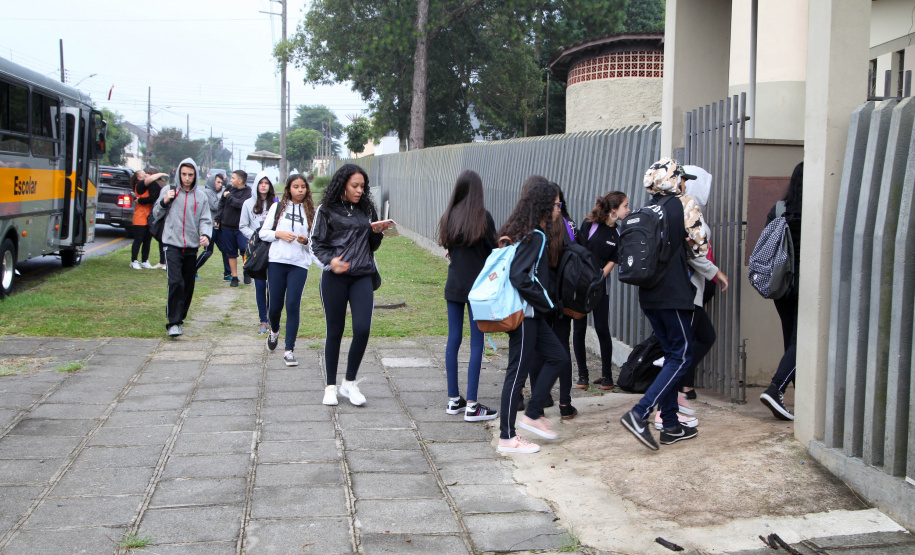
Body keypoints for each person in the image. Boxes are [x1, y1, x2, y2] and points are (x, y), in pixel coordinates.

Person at [619, 158, 707, 450]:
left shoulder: (646, 210)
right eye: (683, 179)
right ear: (676, 181)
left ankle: (670, 425)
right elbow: (700, 247)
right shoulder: (684, 204)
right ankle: (639, 413)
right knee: (681, 355)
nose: (685, 184)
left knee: (670, 355)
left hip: (649, 295)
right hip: (674, 294)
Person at [649, 165, 730, 430]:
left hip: (660, 294)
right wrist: (715, 272)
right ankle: (658, 411)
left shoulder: (656, 211)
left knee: (683, 350)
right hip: (683, 295)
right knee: (678, 356)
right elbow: (696, 253)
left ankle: (671, 412)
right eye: (683, 179)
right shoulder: (685, 212)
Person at [496, 178, 571, 454]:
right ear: (543, 205)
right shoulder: (536, 236)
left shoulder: (522, 232)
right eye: (555, 203)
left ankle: (533, 413)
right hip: (525, 316)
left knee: (558, 357)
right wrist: (547, 302)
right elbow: (520, 276)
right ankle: (507, 438)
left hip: (530, 315)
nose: (559, 209)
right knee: (516, 375)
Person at [311, 164, 387, 407]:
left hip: (363, 275)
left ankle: (350, 383)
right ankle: (330, 386)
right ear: (343, 184)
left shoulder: (366, 209)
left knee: (362, 329)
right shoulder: (326, 210)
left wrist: (377, 232)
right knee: (335, 331)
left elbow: (371, 247)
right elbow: (315, 245)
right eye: (355, 185)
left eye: (362, 186)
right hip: (335, 277)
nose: (359, 190)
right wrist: (330, 262)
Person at [438, 169, 498, 422]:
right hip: (479, 290)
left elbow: (449, 249)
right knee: (476, 343)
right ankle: (472, 405)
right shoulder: (484, 218)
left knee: (453, 340)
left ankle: (454, 400)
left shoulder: (449, 217)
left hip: (454, 286)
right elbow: (493, 253)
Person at [572, 191, 629, 391]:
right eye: (625, 206)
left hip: (600, 287)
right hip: (581, 286)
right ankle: (582, 375)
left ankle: (606, 376)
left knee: (602, 328)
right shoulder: (590, 224)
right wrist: (585, 279)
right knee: (578, 329)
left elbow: (614, 259)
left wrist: (598, 279)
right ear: (614, 209)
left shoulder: (618, 233)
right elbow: (579, 252)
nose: (628, 210)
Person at [150, 158, 213, 337]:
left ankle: (180, 317)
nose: (186, 178)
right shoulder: (168, 190)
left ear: (195, 176)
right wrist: (164, 201)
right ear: (178, 173)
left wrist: (205, 235)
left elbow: (205, 219)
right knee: (175, 282)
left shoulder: (201, 196)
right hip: (171, 244)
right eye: (183, 174)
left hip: (191, 247)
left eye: (190, 175)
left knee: (188, 285)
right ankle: (173, 322)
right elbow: (156, 212)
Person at [759, 161, 802, 421]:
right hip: (805, 285)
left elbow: (767, 243)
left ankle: (790, 398)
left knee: (791, 342)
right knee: (802, 342)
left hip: (782, 285)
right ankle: (776, 388)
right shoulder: (816, 210)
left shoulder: (779, 209)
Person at [260, 174, 317, 366]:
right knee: (275, 306)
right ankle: (274, 330)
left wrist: (306, 240)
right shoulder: (277, 208)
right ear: (288, 189)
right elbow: (263, 233)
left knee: (292, 304)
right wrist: (279, 234)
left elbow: (317, 240)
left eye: (303, 187)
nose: (300, 190)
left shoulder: (311, 211)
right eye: (296, 186)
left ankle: (289, 350)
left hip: (299, 264)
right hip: (277, 261)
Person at [242, 172, 277, 334]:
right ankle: (263, 320)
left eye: (266, 183)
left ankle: (272, 318)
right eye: (260, 183)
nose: (263, 185)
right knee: (260, 285)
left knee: (274, 285)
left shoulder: (276, 203)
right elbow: (243, 226)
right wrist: (256, 237)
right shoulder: (248, 204)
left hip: (274, 248)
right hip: (257, 250)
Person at [129, 169, 169, 269]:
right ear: (138, 178)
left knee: (147, 240)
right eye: (144, 174)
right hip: (140, 216)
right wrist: (161, 173)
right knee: (139, 239)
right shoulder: (140, 184)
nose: (146, 175)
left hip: (148, 216)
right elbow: (151, 179)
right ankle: (134, 260)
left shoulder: (148, 185)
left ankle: (144, 260)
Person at [220, 170, 252, 287]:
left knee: (245, 250)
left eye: (233, 178)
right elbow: (221, 204)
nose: (231, 180)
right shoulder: (229, 188)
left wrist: (229, 196)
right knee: (231, 253)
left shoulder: (248, 192)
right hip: (227, 226)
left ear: (240, 180)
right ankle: (234, 276)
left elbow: (240, 204)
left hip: (241, 228)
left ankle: (246, 271)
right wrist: (218, 218)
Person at [197, 171, 231, 280]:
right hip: (210, 227)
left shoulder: (215, 193)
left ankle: (228, 274)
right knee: (208, 251)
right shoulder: (207, 192)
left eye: (221, 182)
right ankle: (192, 269)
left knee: (225, 250)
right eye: (218, 182)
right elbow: (216, 206)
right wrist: (224, 197)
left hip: (218, 227)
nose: (220, 185)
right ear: (212, 181)